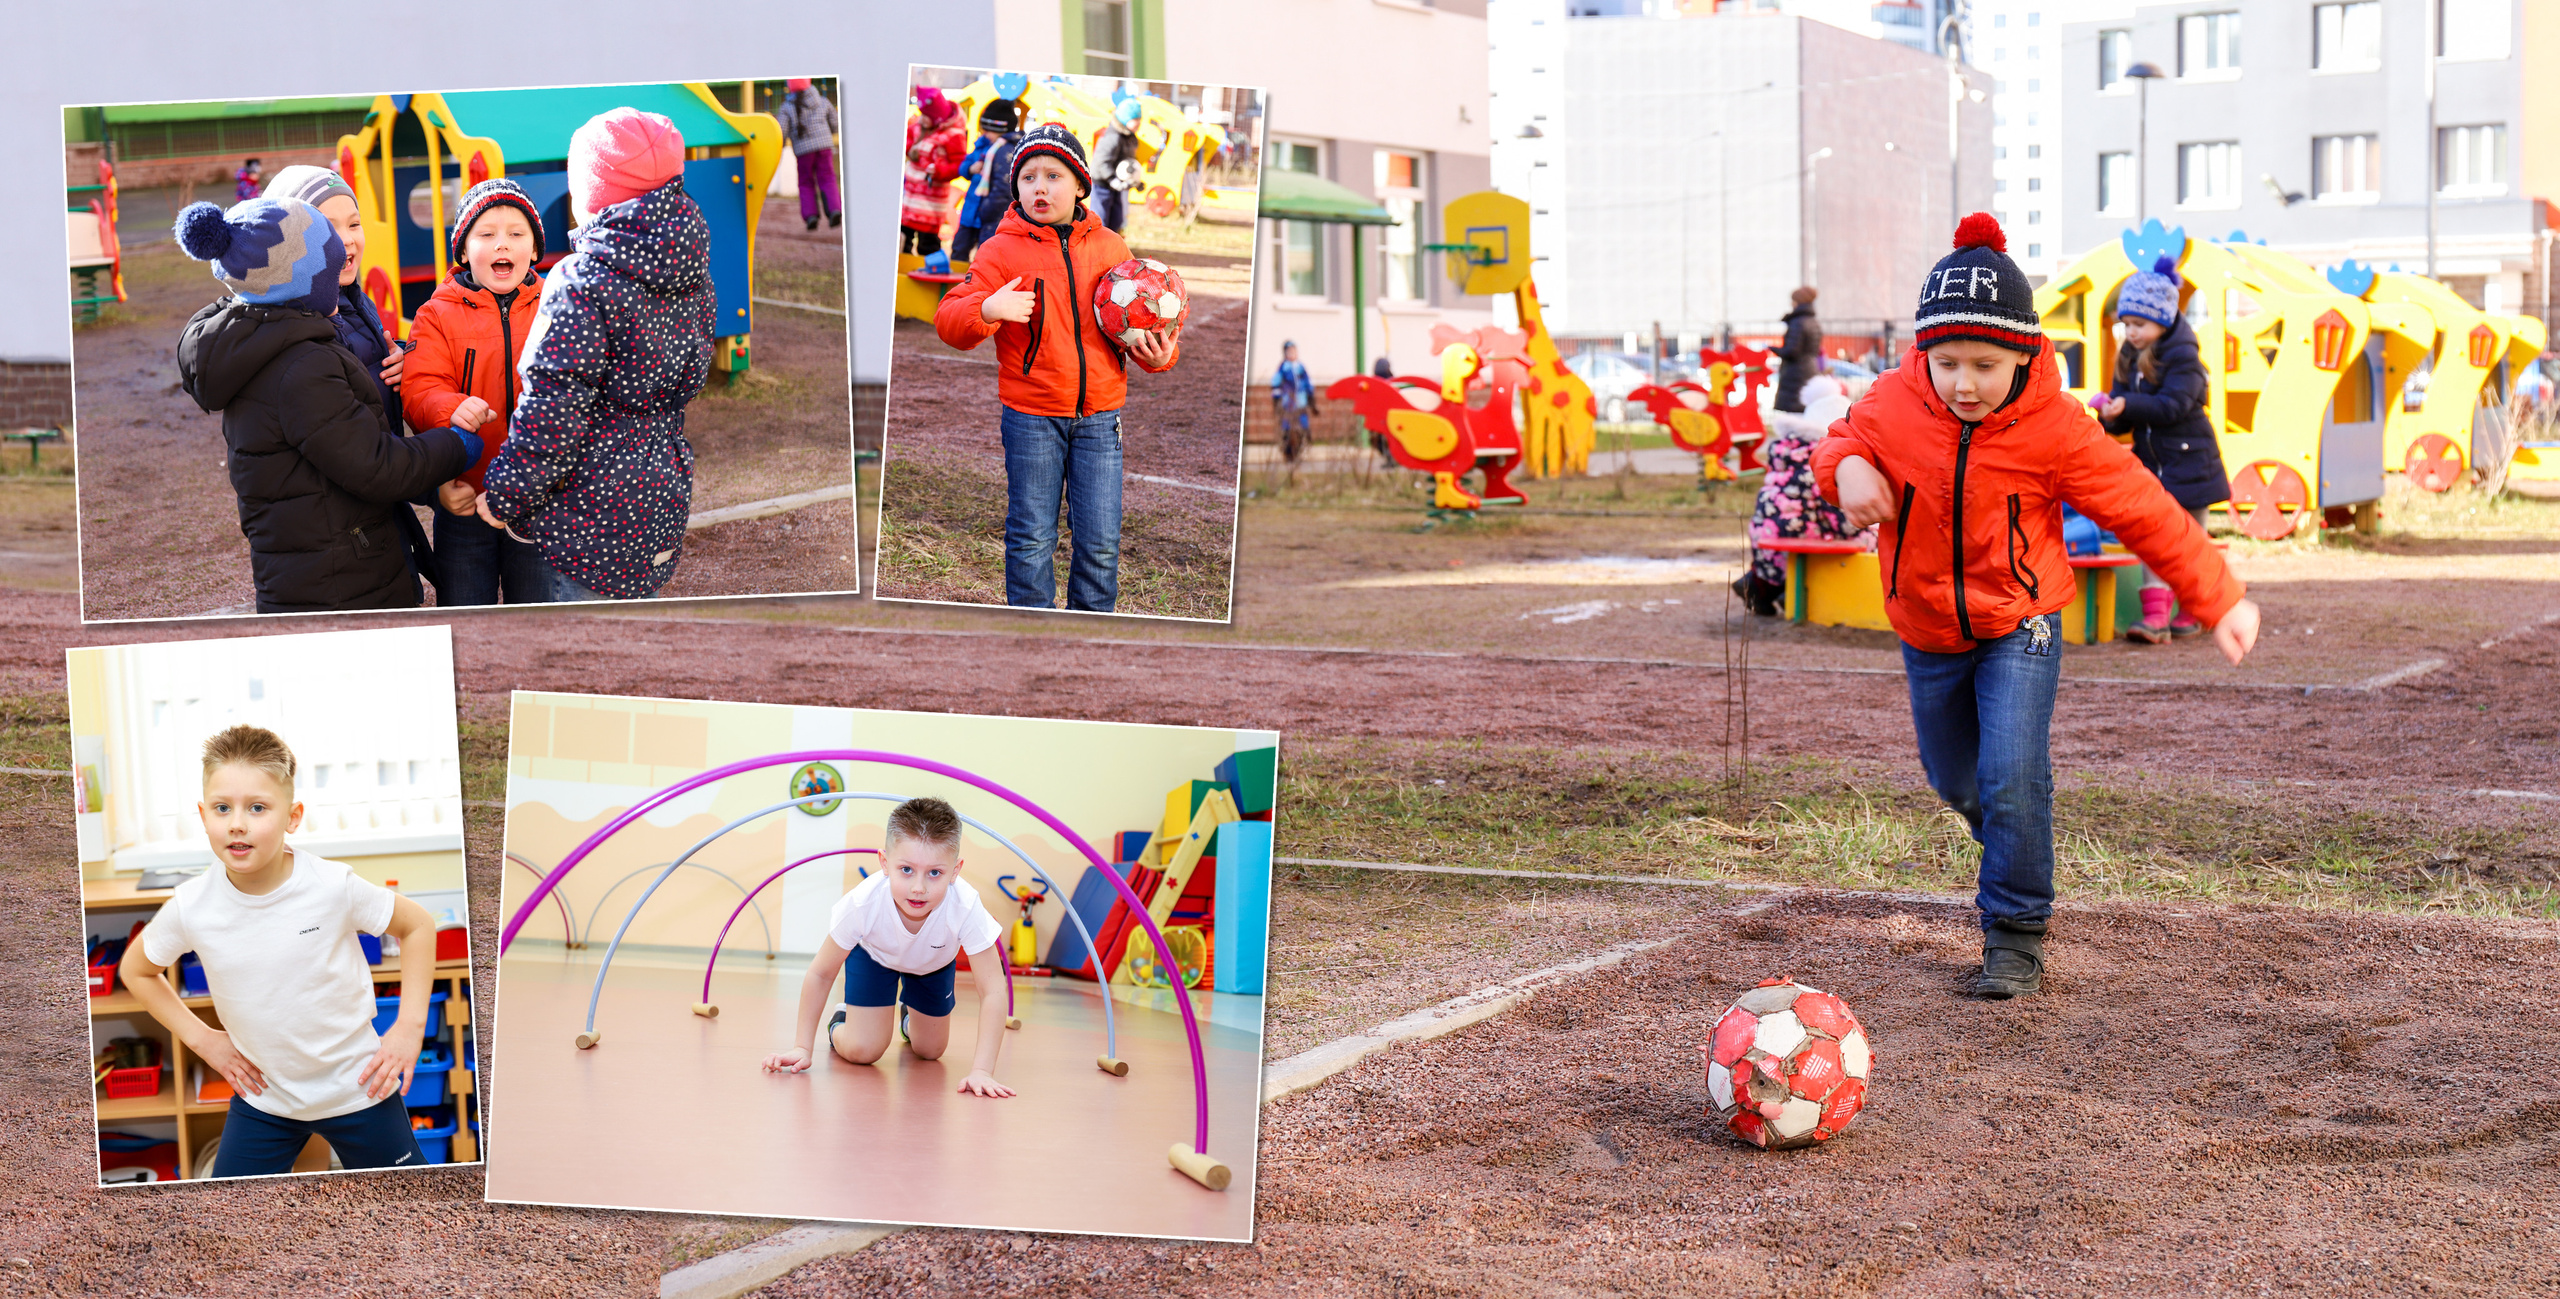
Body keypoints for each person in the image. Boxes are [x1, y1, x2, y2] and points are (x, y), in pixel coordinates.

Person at [1813, 213, 2261, 999]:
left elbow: (2141, 506)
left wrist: (2217, 595)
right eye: (1947, 362)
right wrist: (1847, 469)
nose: (1963, 383)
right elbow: (1838, 440)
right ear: (1924, 355)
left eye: (1985, 365)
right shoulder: (1891, 403)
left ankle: (2015, 929)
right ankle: (2015, 843)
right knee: (1959, 783)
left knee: (2012, 774)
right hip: (1927, 628)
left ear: (2022, 353)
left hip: (2022, 624)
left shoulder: (2056, 428)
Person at [117, 725, 442, 1177]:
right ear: (203, 814)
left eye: (257, 808)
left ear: (292, 816)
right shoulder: (192, 906)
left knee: (410, 1210)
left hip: (360, 1089)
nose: (237, 822)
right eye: (222, 807)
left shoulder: (332, 886)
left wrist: (409, 1027)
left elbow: (418, 925)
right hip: (265, 1100)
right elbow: (136, 971)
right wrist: (204, 1041)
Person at [175, 196, 481, 612]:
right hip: (339, 580)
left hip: (314, 566)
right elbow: (376, 465)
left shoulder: (260, 339)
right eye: (329, 271)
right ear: (302, 282)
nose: (338, 280)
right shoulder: (302, 367)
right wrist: (457, 445)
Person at [933, 124, 1180, 612]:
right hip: (1031, 419)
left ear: (1081, 185)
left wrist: (1161, 355)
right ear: (1016, 188)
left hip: (1099, 421)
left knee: (1101, 542)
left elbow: (1140, 324)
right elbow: (948, 319)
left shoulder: (1112, 249)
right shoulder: (999, 252)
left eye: (1053, 175)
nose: (1039, 187)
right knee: (1030, 538)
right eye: (1027, 178)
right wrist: (986, 310)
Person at [475, 107, 716, 602]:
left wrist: (505, 495)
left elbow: (553, 410)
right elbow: (691, 373)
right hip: (660, 491)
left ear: (592, 192)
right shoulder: (693, 269)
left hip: (586, 514)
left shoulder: (582, 280)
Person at [760, 798, 1015, 1098]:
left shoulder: (966, 906)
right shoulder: (863, 903)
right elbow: (821, 973)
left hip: (932, 965)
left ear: (955, 870)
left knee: (930, 1050)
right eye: (906, 869)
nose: (918, 887)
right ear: (884, 862)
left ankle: (910, 1015)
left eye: (935, 873)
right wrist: (802, 1046)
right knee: (862, 1050)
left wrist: (982, 1070)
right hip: (874, 958)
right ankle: (842, 1020)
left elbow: (993, 989)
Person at [263, 164, 439, 595]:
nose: (347, 239)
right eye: (327, 226)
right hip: (337, 548)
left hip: (375, 523)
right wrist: (457, 452)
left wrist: (401, 359)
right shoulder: (296, 327)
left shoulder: (354, 303)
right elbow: (357, 445)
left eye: (354, 223)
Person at [403, 178, 551, 605]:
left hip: (535, 497)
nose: (501, 244)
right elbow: (419, 386)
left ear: (535, 251)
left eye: (516, 234)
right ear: (464, 251)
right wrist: (452, 408)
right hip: (464, 496)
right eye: (486, 234)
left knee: (541, 615)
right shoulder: (436, 313)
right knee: (466, 616)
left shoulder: (555, 306)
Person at [2097, 254, 2227, 644]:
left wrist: (2129, 405)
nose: (2131, 333)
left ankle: (2196, 607)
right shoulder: (2129, 356)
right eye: (2126, 325)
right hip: (2153, 466)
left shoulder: (2184, 357)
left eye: (2138, 324)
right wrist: (2112, 414)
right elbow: (2126, 413)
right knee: (2152, 536)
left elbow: (2173, 406)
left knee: (2191, 542)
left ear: (2164, 317)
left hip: (2191, 463)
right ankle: (2155, 615)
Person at [1735, 375, 1868, 615]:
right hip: (1798, 536)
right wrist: (1868, 526)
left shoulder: (1789, 450)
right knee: (1868, 538)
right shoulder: (1827, 459)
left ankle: (1759, 585)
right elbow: (1835, 510)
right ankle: (1800, 592)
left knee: (1779, 558)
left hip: (1765, 534)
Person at [949, 97, 1023, 264]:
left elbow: (1004, 187)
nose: (984, 133)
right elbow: (964, 167)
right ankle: (954, 283)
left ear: (999, 129)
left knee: (984, 256)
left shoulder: (1006, 151)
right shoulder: (981, 145)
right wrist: (970, 169)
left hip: (989, 215)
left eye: (987, 130)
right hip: (971, 210)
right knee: (959, 249)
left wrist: (987, 210)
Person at [900, 87, 966, 256]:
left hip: (931, 200)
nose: (922, 118)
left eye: (927, 116)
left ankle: (929, 273)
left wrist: (938, 171)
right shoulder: (919, 126)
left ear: (936, 117)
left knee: (927, 244)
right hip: (910, 198)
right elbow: (905, 138)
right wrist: (909, 149)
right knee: (902, 240)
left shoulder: (953, 135)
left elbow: (958, 164)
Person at [773, 78, 841, 231]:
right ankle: (834, 210)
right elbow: (836, 124)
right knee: (828, 178)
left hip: (803, 152)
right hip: (824, 147)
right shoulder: (823, 101)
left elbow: (781, 131)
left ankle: (811, 216)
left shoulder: (786, 107)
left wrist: (780, 146)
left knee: (806, 182)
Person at [1092, 98, 1144, 232]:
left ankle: (1112, 246)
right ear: (1125, 119)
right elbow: (1102, 161)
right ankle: (1097, 249)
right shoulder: (1113, 137)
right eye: (1135, 119)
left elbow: (1128, 162)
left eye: (1140, 119)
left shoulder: (1130, 137)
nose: (1139, 123)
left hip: (1115, 185)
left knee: (1117, 219)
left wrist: (1135, 180)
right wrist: (1112, 179)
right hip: (1102, 183)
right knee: (1101, 219)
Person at [1774, 286, 1822, 413]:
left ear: (1798, 302)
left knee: (1794, 414)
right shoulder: (1814, 322)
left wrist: (1773, 349)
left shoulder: (1798, 322)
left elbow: (1792, 351)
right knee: (1806, 411)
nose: (1791, 303)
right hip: (1810, 370)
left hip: (1795, 375)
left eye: (1793, 300)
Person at [1273, 341, 1316, 464]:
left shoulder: (1300, 367)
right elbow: (1276, 383)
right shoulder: (1284, 367)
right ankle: (1287, 450)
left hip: (1300, 401)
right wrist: (1276, 400)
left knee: (1303, 425)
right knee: (1287, 426)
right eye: (1289, 351)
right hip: (1288, 403)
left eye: (1294, 351)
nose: (1292, 354)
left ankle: (1302, 445)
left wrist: (1312, 399)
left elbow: (1307, 382)